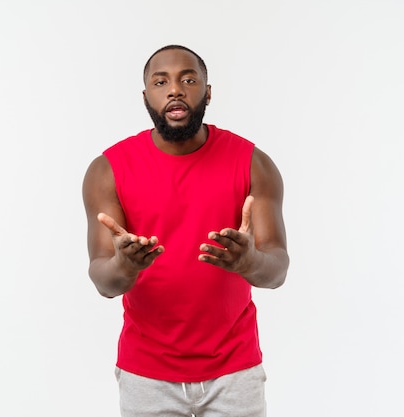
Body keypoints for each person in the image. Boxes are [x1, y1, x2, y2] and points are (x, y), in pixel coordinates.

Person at [82, 44, 289, 417]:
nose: (174, 89)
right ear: (146, 97)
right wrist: (125, 266)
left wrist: (250, 260)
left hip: (234, 370)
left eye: (188, 79)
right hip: (147, 374)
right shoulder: (107, 169)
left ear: (208, 92)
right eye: (161, 81)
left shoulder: (253, 162)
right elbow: (103, 281)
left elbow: (277, 272)